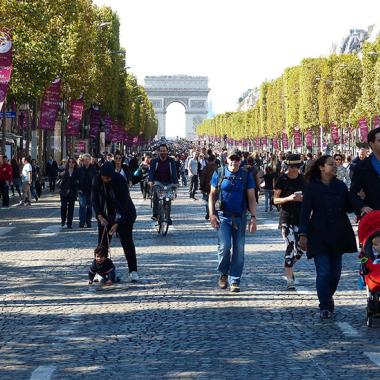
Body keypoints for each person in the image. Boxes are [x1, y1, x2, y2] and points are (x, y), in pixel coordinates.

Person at [299, 155, 357, 319]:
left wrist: (357, 197)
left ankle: (328, 295)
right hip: (318, 233)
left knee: (335, 273)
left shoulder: (340, 186)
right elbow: (305, 212)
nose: (335, 166)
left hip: (338, 232)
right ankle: (324, 305)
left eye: (335, 164)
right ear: (321, 167)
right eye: (331, 164)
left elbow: (348, 208)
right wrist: (303, 234)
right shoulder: (312, 187)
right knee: (324, 272)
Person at [208, 148, 257, 293]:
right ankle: (223, 273)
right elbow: (212, 195)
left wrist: (253, 217)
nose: (234, 161)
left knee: (239, 249)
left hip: (240, 216)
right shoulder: (219, 173)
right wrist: (211, 214)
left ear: (240, 160)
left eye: (237, 159)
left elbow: (251, 197)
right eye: (232, 158)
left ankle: (234, 279)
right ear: (226, 159)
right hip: (223, 216)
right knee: (224, 246)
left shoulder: (246, 175)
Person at [92, 162, 138, 282]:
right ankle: (100, 271)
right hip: (105, 216)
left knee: (127, 243)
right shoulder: (96, 180)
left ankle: (133, 271)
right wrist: (99, 216)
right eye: (106, 177)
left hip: (125, 215)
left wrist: (117, 223)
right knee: (102, 244)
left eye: (110, 177)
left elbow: (124, 203)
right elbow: (94, 200)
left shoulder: (120, 180)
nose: (108, 179)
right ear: (101, 175)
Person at [273, 154, 305, 290]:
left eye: (296, 167)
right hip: (286, 218)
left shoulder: (304, 180)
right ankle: (290, 278)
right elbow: (275, 200)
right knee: (290, 245)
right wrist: (289, 198)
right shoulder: (282, 179)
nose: (293, 169)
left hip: (300, 218)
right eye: (291, 166)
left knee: (301, 249)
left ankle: (289, 264)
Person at [350, 127, 380, 214]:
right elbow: (353, 193)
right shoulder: (361, 167)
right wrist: (362, 207)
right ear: (371, 143)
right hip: (374, 217)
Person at [148, 144, 178, 223]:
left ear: (167, 151)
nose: (162, 152)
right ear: (158, 152)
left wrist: (175, 184)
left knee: (168, 199)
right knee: (156, 196)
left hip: (168, 183)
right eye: (161, 151)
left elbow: (174, 172)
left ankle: (168, 217)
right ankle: (155, 214)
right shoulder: (155, 161)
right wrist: (150, 180)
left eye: (164, 151)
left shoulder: (171, 161)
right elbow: (151, 171)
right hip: (158, 182)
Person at [77, 153, 96, 228]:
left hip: (90, 191)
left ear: (90, 160)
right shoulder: (80, 169)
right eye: (85, 160)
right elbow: (77, 180)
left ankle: (88, 222)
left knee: (89, 207)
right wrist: (78, 189)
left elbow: (96, 180)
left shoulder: (93, 169)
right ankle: (81, 222)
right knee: (82, 207)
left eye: (88, 160)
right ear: (83, 161)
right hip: (82, 191)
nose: (86, 161)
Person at [59, 158, 78, 229]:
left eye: (73, 162)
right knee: (63, 206)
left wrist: (77, 190)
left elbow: (77, 182)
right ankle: (63, 220)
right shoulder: (65, 171)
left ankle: (69, 223)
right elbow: (59, 177)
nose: (71, 163)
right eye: (69, 162)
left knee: (71, 208)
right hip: (63, 192)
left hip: (72, 193)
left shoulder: (76, 172)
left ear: (75, 163)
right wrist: (61, 174)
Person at [199, 154, 218, 220]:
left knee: (208, 200)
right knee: (215, 200)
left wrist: (201, 187)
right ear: (214, 160)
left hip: (207, 187)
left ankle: (208, 212)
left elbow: (202, 178)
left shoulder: (206, 167)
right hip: (215, 186)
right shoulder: (217, 167)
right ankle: (213, 212)